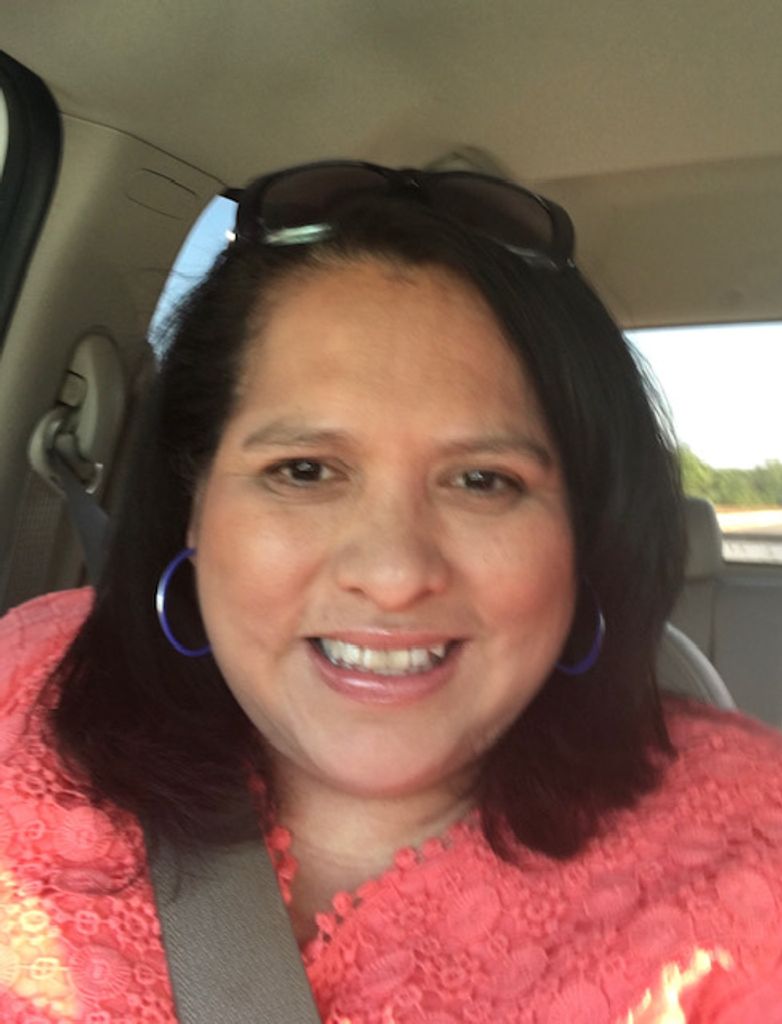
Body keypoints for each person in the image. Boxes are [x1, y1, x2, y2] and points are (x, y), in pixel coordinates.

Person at [1, 161, 781, 1024]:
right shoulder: (27, 673)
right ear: (194, 504)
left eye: (483, 480)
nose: (394, 573)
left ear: (582, 532)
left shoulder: (754, 850)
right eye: (304, 470)